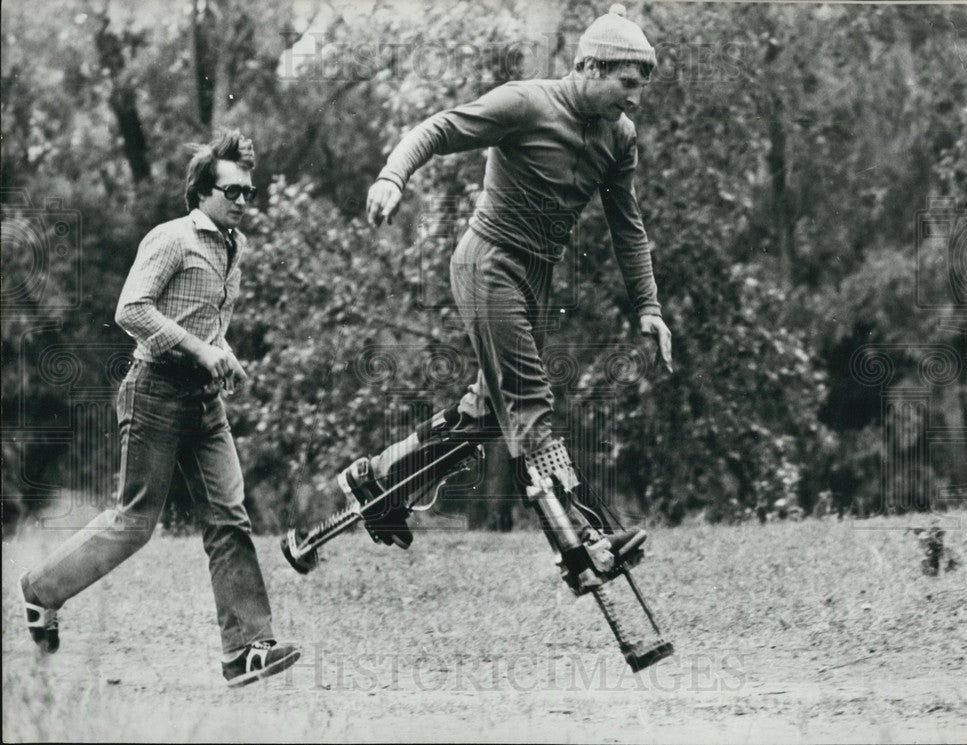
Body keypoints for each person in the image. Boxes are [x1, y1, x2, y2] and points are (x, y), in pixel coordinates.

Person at [355, 5, 672, 570]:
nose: (636, 99)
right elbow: (439, 128)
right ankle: (581, 540)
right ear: (590, 67)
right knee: (529, 403)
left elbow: (627, 225)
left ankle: (381, 477)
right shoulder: (527, 103)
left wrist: (649, 306)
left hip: (537, 278)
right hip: (489, 263)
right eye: (627, 84)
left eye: (641, 87)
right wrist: (391, 176)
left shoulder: (620, 136)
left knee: (486, 413)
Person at [20, 129, 300, 688]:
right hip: (154, 391)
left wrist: (223, 354)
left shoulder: (235, 245)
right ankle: (42, 589)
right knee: (134, 523)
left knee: (229, 517)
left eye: (249, 191)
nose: (243, 201)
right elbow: (131, 309)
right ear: (202, 192)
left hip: (204, 400)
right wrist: (199, 349)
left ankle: (246, 650)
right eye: (232, 191)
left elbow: (208, 322)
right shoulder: (172, 238)